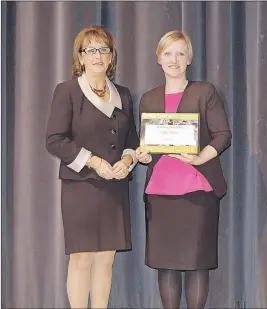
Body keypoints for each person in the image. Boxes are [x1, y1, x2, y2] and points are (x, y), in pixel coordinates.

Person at [136, 30, 231, 309]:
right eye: (168, 53)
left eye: (180, 53)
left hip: (198, 192)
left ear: (189, 58)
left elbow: (223, 135)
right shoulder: (149, 99)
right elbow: (145, 144)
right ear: (158, 58)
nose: (174, 60)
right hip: (160, 193)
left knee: (196, 264)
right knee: (166, 265)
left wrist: (201, 158)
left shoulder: (205, 92)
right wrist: (142, 153)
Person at [46, 25, 139, 308]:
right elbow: (54, 140)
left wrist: (127, 160)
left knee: (106, 258)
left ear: (112, 57)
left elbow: (131, 140)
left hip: (114, 187)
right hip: (81, 186)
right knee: (82, 257)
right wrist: (95, 161)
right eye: (91, 49)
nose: (98, 55)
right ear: (81, 57)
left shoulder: (123, 94)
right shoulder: (68, 91)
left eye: (104, 49)